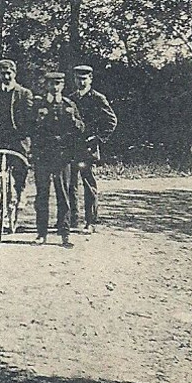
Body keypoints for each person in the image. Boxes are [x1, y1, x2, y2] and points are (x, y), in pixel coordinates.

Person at [31, 71, 85, 249]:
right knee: (42, 195)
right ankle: (41, 233)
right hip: (43, 156)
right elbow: (28, 128)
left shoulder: (69, 105)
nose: (55, 87)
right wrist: (37, 120)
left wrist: (73, 120)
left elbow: (81, 129)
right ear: (46, 85)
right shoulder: (38, 104)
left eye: (58, 84)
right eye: (51, 84)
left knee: (63, 195)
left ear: (62, 85)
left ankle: (64, 233)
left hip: (62, 157)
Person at [0, 58, 33, 218]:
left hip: (17, 139)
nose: (6, 77)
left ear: (14, 74)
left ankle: (21, 191)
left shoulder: (24, 93)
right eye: (3, 74)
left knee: (20, 165)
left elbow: (30, 118)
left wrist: (24, 131)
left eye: (9, 73)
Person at [68, 64, 118, 234]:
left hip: (87, 148)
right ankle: (72, 220)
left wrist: (98, 138)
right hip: (71, 147)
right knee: (71, 185)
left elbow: (111, 121)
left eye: (84, 79)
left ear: (90, 79)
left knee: (88, 185)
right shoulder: (70, 98)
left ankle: (90, 221)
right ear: (74, 79)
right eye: (78, 79)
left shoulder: (98, 98)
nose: (81, 82)